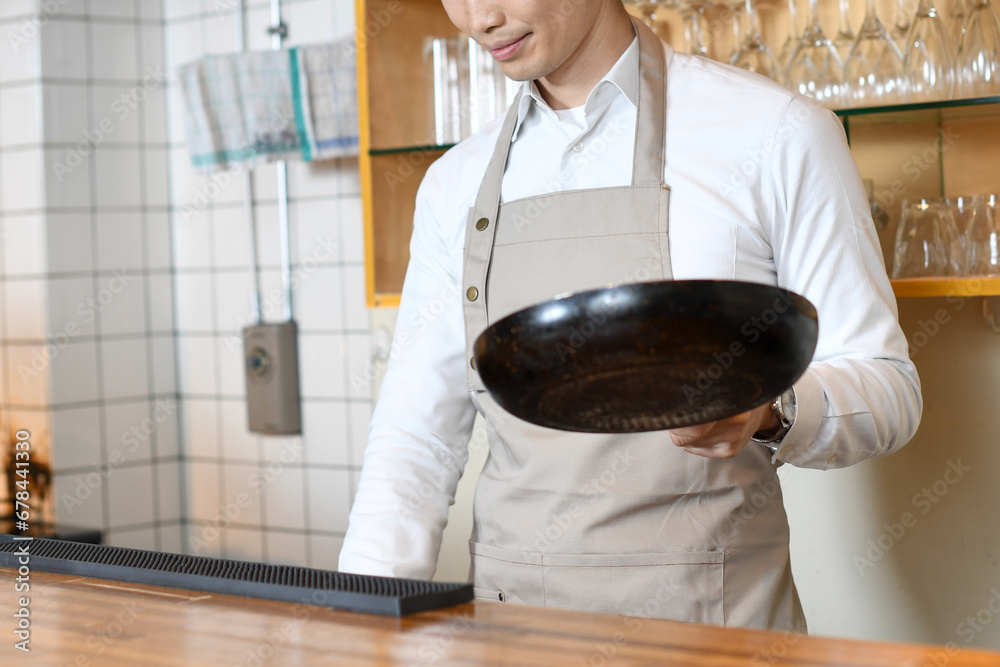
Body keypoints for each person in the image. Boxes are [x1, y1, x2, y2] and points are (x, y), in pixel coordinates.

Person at [339, 0, 922, 631]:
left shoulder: (777, 133)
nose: (478, 18)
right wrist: (362, 625)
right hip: (516, 630)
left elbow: (888, 386)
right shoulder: (454, 183)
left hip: (713, 626)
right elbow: (416, 438)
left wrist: (768, 409)